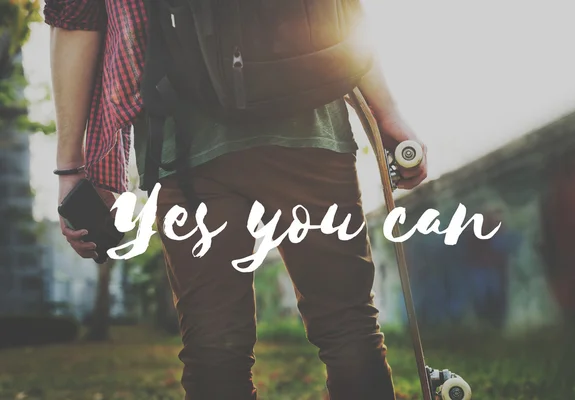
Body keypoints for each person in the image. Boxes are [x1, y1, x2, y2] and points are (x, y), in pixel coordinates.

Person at [45, 1, 428, 399]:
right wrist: (387, 112)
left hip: (187, 145)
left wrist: (72, 168)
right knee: (348, 326)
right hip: (307, 124)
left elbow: (75, 18)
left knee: (214, 347)